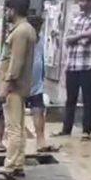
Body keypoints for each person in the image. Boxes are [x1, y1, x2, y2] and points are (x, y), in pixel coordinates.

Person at [0, 0, 36, 180]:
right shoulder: (27, 30)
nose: (7, 13)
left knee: (13, 129)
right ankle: (17, 165)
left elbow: (15, 64)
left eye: (8, 10)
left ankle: (9, 168)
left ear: (13, 10)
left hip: (13, 88)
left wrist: (4, 88)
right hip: (19, 86)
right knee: (18, 127)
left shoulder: (20, 32)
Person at [53, 0, 91, 141]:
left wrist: (78, 37)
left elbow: (90, 36)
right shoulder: (76, 18)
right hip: (72, 65)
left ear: (90, 3)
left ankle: (86, 131)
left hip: (87, 65)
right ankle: (66, 129)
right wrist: (80, 36)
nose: (80, 4)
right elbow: (68, 39)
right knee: (71, 99)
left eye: (83, 1)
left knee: (88, 99)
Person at [27, 15, 59, 152]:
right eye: (36, 27)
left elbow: (41, 58)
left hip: (36, 83)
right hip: (23, 81)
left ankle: (40, 140)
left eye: (39, 27)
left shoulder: (39, 40)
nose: (37, 30)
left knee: (38, 110)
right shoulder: (25, 39)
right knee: (13, 114)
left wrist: (43, 77)